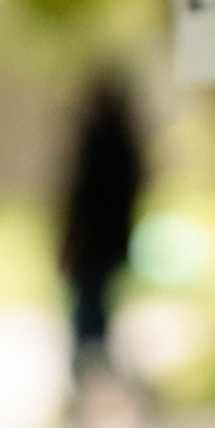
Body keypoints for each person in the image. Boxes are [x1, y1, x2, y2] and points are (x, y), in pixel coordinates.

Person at [58, 72, 146, 376]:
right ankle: (94, 373)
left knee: (90, 310)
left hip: (95, 243)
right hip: (108, 240)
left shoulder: (101, 139)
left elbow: (85, 196)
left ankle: (91, 374)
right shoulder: (122, 138)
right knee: (95, 308)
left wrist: (73, 238)